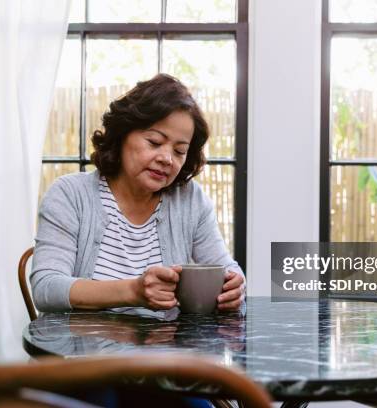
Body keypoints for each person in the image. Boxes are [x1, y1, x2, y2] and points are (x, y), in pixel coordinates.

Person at [30, 73, 245, 318]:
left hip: (166, 353)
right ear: (122, 135)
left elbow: (227, 268)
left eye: (179, 151)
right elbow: (46, 288)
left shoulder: (190, 200)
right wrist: (133, 291)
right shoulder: (70, 195)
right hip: (82, 352)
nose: (167, 158)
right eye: (154, 142)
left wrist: (235, 287)